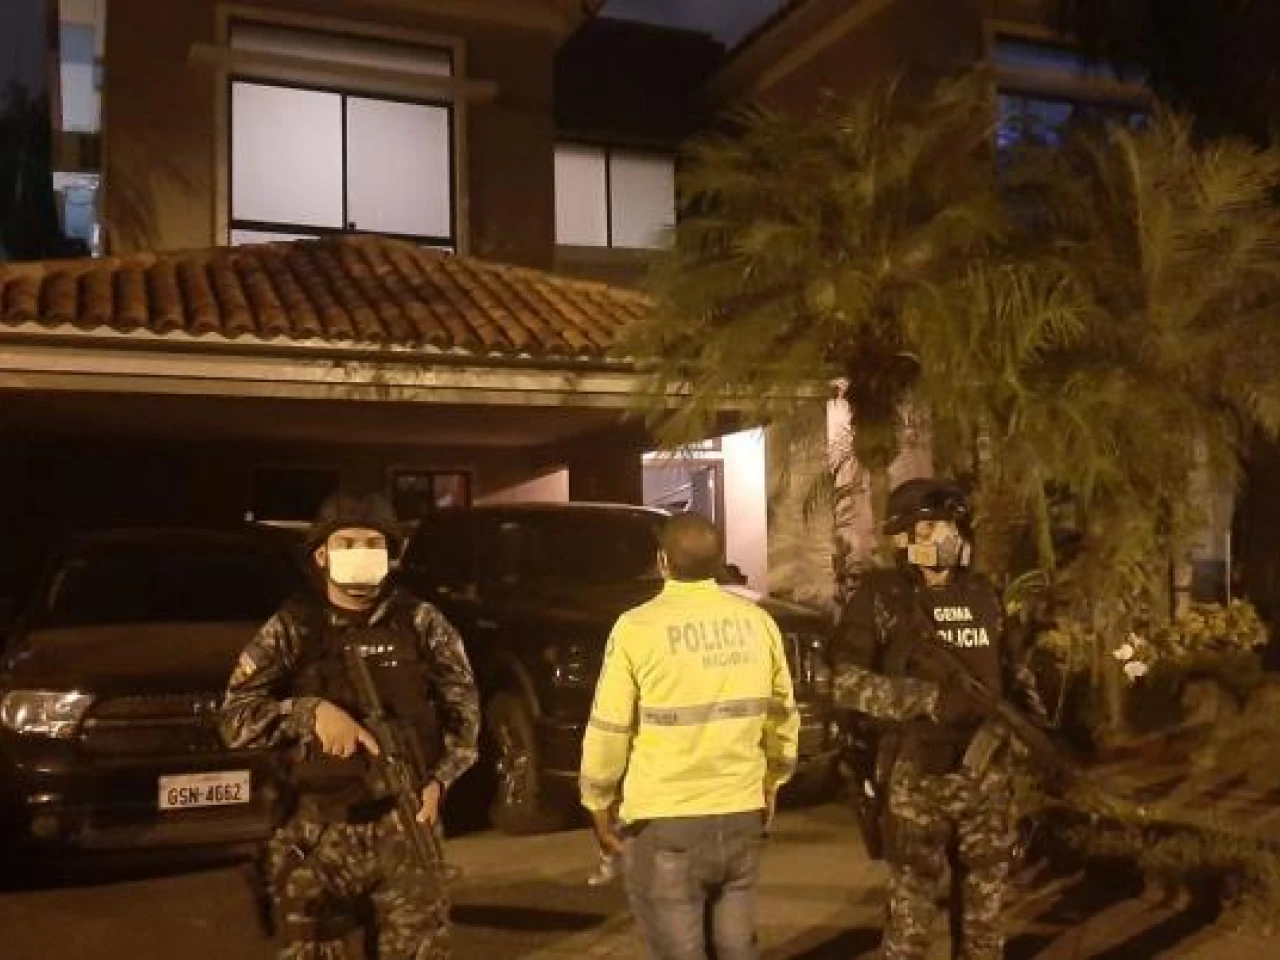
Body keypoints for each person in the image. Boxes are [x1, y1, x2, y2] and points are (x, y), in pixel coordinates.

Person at [220, 492, 480, 960]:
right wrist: (309, 713)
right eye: (347, 543)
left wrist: (440, 782)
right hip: (317, 832)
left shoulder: (422, 623)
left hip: (404, 825)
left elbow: (465, 717)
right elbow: (234, 720)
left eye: (373, 543)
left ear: (391, 554)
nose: (361, 553)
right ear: (321, 554)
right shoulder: (292, 628)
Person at [832, 478, 1047, 960]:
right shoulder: (882, 598)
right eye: (931, 528)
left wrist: (1031, 731)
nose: (945, 537)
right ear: (903, 537)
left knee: (985, 919)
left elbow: (1015, 673)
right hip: (916, 775)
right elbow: (844, 683)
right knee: (911, 921)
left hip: (986, 776)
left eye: (951, 526)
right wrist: (925, 699)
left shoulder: (984, 595)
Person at [579, 512, 800, 960]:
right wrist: (773, 780)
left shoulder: (636, 628)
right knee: (737, 948)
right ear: (719, 561)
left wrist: (597, 800)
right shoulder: (758, 623)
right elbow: (782, 715)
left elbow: (610, 728)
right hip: (740, 813)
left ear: (663, 561)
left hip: (665, 821)